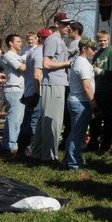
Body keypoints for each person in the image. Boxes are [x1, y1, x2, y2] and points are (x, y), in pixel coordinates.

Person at [32, 13, 74, 163]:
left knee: (45, 121)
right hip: (53, 83)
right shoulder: (52, 40)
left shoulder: (59, 40)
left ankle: (37, 153)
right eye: (64, 23)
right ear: (56, 24)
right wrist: (67, 64)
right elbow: (46, 64)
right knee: (53, 122)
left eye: (69, 23)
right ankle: (49, 157)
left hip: (58, 83)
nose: (67, 26)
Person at [64, 37, 97, 171]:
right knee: (77, 135)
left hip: (76, 101)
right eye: (92, 48)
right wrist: (94, 104)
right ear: (84, 48)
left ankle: (68, 161)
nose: (95, 51)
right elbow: (87, 86)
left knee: (75, 133)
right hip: (81, 102)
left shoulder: (79, 62)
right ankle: (74, 164)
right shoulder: (83, 63)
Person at [87, 30, 112, 154]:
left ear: (109, 40)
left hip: (110, 89)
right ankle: (93, 143)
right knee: (96, 117)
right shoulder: (97, 54)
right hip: (98, 89)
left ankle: (106, 145)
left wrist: (102, 72)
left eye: (104, 40)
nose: (102, 43)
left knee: (108, 119)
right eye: (100, 41)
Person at [19, 28, 49, 154]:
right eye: (48, 39)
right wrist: (37, 94)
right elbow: (37, 75)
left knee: (27, 119)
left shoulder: (32, 51)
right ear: (41, 39)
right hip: (36, 91)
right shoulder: (38, 54)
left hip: (29, 90)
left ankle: (21, 149)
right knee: (33, 121)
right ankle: (28, 149)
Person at [1, 34, 27, 153]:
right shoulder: (8, 56)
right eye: (18, 41)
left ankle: (7, 143)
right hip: (14, 90)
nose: (20, 43)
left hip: (20, 90)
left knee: (15, 118)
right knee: (14, 119)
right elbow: (22, 68)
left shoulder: (18, 56)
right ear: (10, 43)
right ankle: (11, 145)